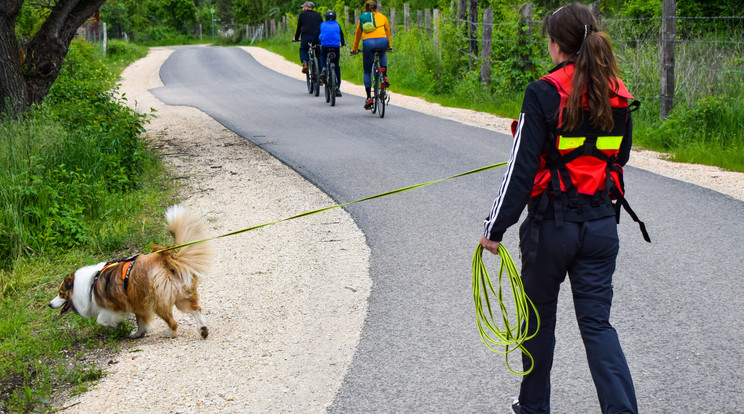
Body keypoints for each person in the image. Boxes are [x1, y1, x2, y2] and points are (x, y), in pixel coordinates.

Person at [479, 3, 639, 413]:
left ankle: (533, 409)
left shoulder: (543, 92)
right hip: (602, 225)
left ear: (556, 45)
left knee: (537, 324)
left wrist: (494, 230)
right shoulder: (617, 92)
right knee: (598, 326)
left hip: (551, 228)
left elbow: (520, 170)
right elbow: (618, 157)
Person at [350, 0, 391, 109]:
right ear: (376, 8)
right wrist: (389, 45)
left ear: (366, 8)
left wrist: (354, 49)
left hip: (368, 43)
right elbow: (387, 31)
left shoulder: (363, 18)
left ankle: (369, 98)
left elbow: (358, 35)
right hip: (383, 41)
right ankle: (385, 76)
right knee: (382, 54)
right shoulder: (382, 17)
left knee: (367, 72)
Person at [315, 10, 346, 97]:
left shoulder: (322, 24)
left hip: (325, 45)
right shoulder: (337, 24)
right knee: (336, 66)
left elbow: (317, 35)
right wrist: (343, 43)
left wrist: (314, 43)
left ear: (325, 17)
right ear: (335, 18)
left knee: (322, 55)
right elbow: (342, 35)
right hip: (336, 46)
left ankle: (324, 68)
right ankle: (337, 88)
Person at [293, 1, 323, 74]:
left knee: (303, 49)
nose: (302, 8)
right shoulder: (318, 15)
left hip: (306, 37)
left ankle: (305, 63)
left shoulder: (302, 15)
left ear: (306, 7)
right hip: (317, 38)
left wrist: (296, 38)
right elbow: (322, 27)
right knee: (319, 54)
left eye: (303, 7)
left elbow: (299, 28)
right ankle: (322, 73)